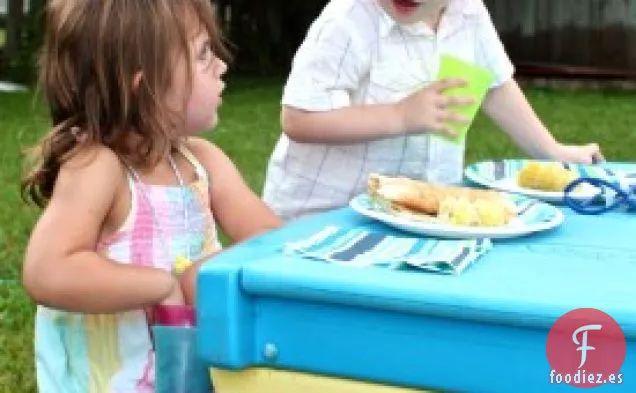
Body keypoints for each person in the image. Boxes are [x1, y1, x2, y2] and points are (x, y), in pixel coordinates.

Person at [20, 0, 282, 391]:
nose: (222, 66)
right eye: (203, 54)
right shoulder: (99, 167)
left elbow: (276, 244)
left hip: (187, 374)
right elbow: (47, 271)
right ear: (142, 84)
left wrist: (200, 278)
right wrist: (162, 285)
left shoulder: (202, 162)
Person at [262, 0, 605, 221]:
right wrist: (400, 115)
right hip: (327, 219)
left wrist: (552, 151)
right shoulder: (347, 20)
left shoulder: (468, 14)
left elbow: (494, 87)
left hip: (416, 213)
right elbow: (299, 119)